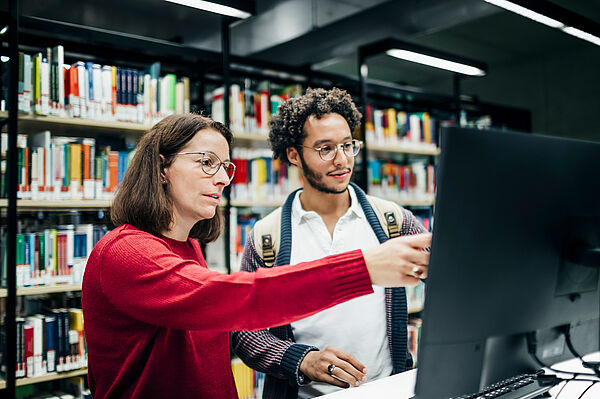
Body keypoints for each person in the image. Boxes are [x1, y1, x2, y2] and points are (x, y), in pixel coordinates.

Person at [81, 113, 431, 399]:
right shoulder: (124, 252)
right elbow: (233, 300)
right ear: (161, 168)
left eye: (225, 167)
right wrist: (363, 268)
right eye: (207, 162)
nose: (222, 178)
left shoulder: (188, 247)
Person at [231, 88, 430, 399]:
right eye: (325, 148)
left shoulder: (393, 221)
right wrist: (303, 360)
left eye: (348, 145)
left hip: (388, 391)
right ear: (293, 154)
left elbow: (449, 281)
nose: (342, 160)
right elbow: (244, 332)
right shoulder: (266, 238)